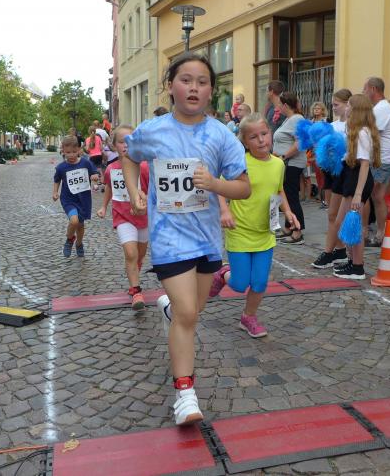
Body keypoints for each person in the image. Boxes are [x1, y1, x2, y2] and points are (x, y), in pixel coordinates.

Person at [121, 52, 250, 426]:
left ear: (211, 91)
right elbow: (128, 154)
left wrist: (215, 184)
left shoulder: (221, 135)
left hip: (207, 240)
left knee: (192, 310)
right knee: (189, 315)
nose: (194, 88)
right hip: (168, 238)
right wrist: (133, 188)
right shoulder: (153, 130)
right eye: (186, 80)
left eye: (202, 82)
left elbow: (243, 187)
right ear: (171, 86)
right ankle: (185, 394)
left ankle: (170, 311)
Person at [210, 113, 299, 337]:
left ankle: (248, 317)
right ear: (245, 142)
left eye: (264, 134)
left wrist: (288, 212)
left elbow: (278, 190)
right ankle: (222, 273)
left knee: (259, 283)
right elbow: (219, 187)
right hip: (239, 230)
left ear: (270, 133)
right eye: (253, 137)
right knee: (240, 284)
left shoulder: (278, 164)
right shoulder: (239, 163)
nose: (261, 140)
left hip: (265, 233)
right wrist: (224, 210)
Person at [96, 125, 150, 309]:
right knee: (130, 253)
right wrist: (104, 206)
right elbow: (109, 188)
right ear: (114, 145)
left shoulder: (144, 167)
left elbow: (153, 191)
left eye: (130, 141)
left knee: (139, 255)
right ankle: (136, 290)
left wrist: (144, 203)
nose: (126, 145)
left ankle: (134, 269)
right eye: (121, 142)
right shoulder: (111, 169)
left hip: (143, 217)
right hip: (122, 216)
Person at [330, 94, 381, 280]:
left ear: (356, 109)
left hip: (358, 180)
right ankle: (352, 261)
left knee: (352, 224)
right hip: (352, 177)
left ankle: (358, 266)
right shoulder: (357, 130)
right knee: (345, 223)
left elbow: (365, 164)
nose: (347, 108)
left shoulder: (362, 133)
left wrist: (358, 194)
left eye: (349, 105)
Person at [311, 88, 352, 269]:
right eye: (333, 105)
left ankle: (329, 252)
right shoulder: (333, 125)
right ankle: (339, 249)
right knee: (331, 213)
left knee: (336, 214)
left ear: (347, 104)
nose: (334, 108)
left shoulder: (351, 125)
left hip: (344, 171)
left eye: (337, 105)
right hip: (330, 171)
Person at [363, 77, 390, 246]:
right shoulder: (380, 108)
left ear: (373, 89)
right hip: (382, 158)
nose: (364, 93)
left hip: (382, 159)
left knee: (369, 194)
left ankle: (371, 233)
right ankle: (381, 233)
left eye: (365, 89)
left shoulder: (382, 108)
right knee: (377, 196)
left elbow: (371, 133)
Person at [53, 135, 100, 258]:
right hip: (68, 199)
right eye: (68, 152)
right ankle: (69, 240)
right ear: (63, 151)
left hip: (83, 199)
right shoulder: (61, 167)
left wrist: (95, 176)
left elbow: (95, 173)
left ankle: (79, 243)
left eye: (74, 152)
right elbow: (57, 180)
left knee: (80, 225)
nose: (71, 155)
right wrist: (55, 192)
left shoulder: (86, 163)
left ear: (79, 149)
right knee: (74, 221)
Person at [273, 91, 307, 244]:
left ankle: (298, 232)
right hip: (286, 163)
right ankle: (288, 227)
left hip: (292, 163)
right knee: (285, 196)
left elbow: (299, 143)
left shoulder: (297, 119)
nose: (278, 107)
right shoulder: (289, 119)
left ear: (285, 105)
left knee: (291, 197)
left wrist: (284, 156)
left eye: (280, 104)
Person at [309, 101, 329, 208]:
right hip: (312, 151)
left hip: (322, 151)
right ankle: (322, 198)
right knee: (317, 175)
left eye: (318, 108)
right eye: (314, 108)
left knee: (323, 175)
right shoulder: (311, 122)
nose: (316, 110)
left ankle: (325, 199)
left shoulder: (325, 122)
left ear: (322, 110)